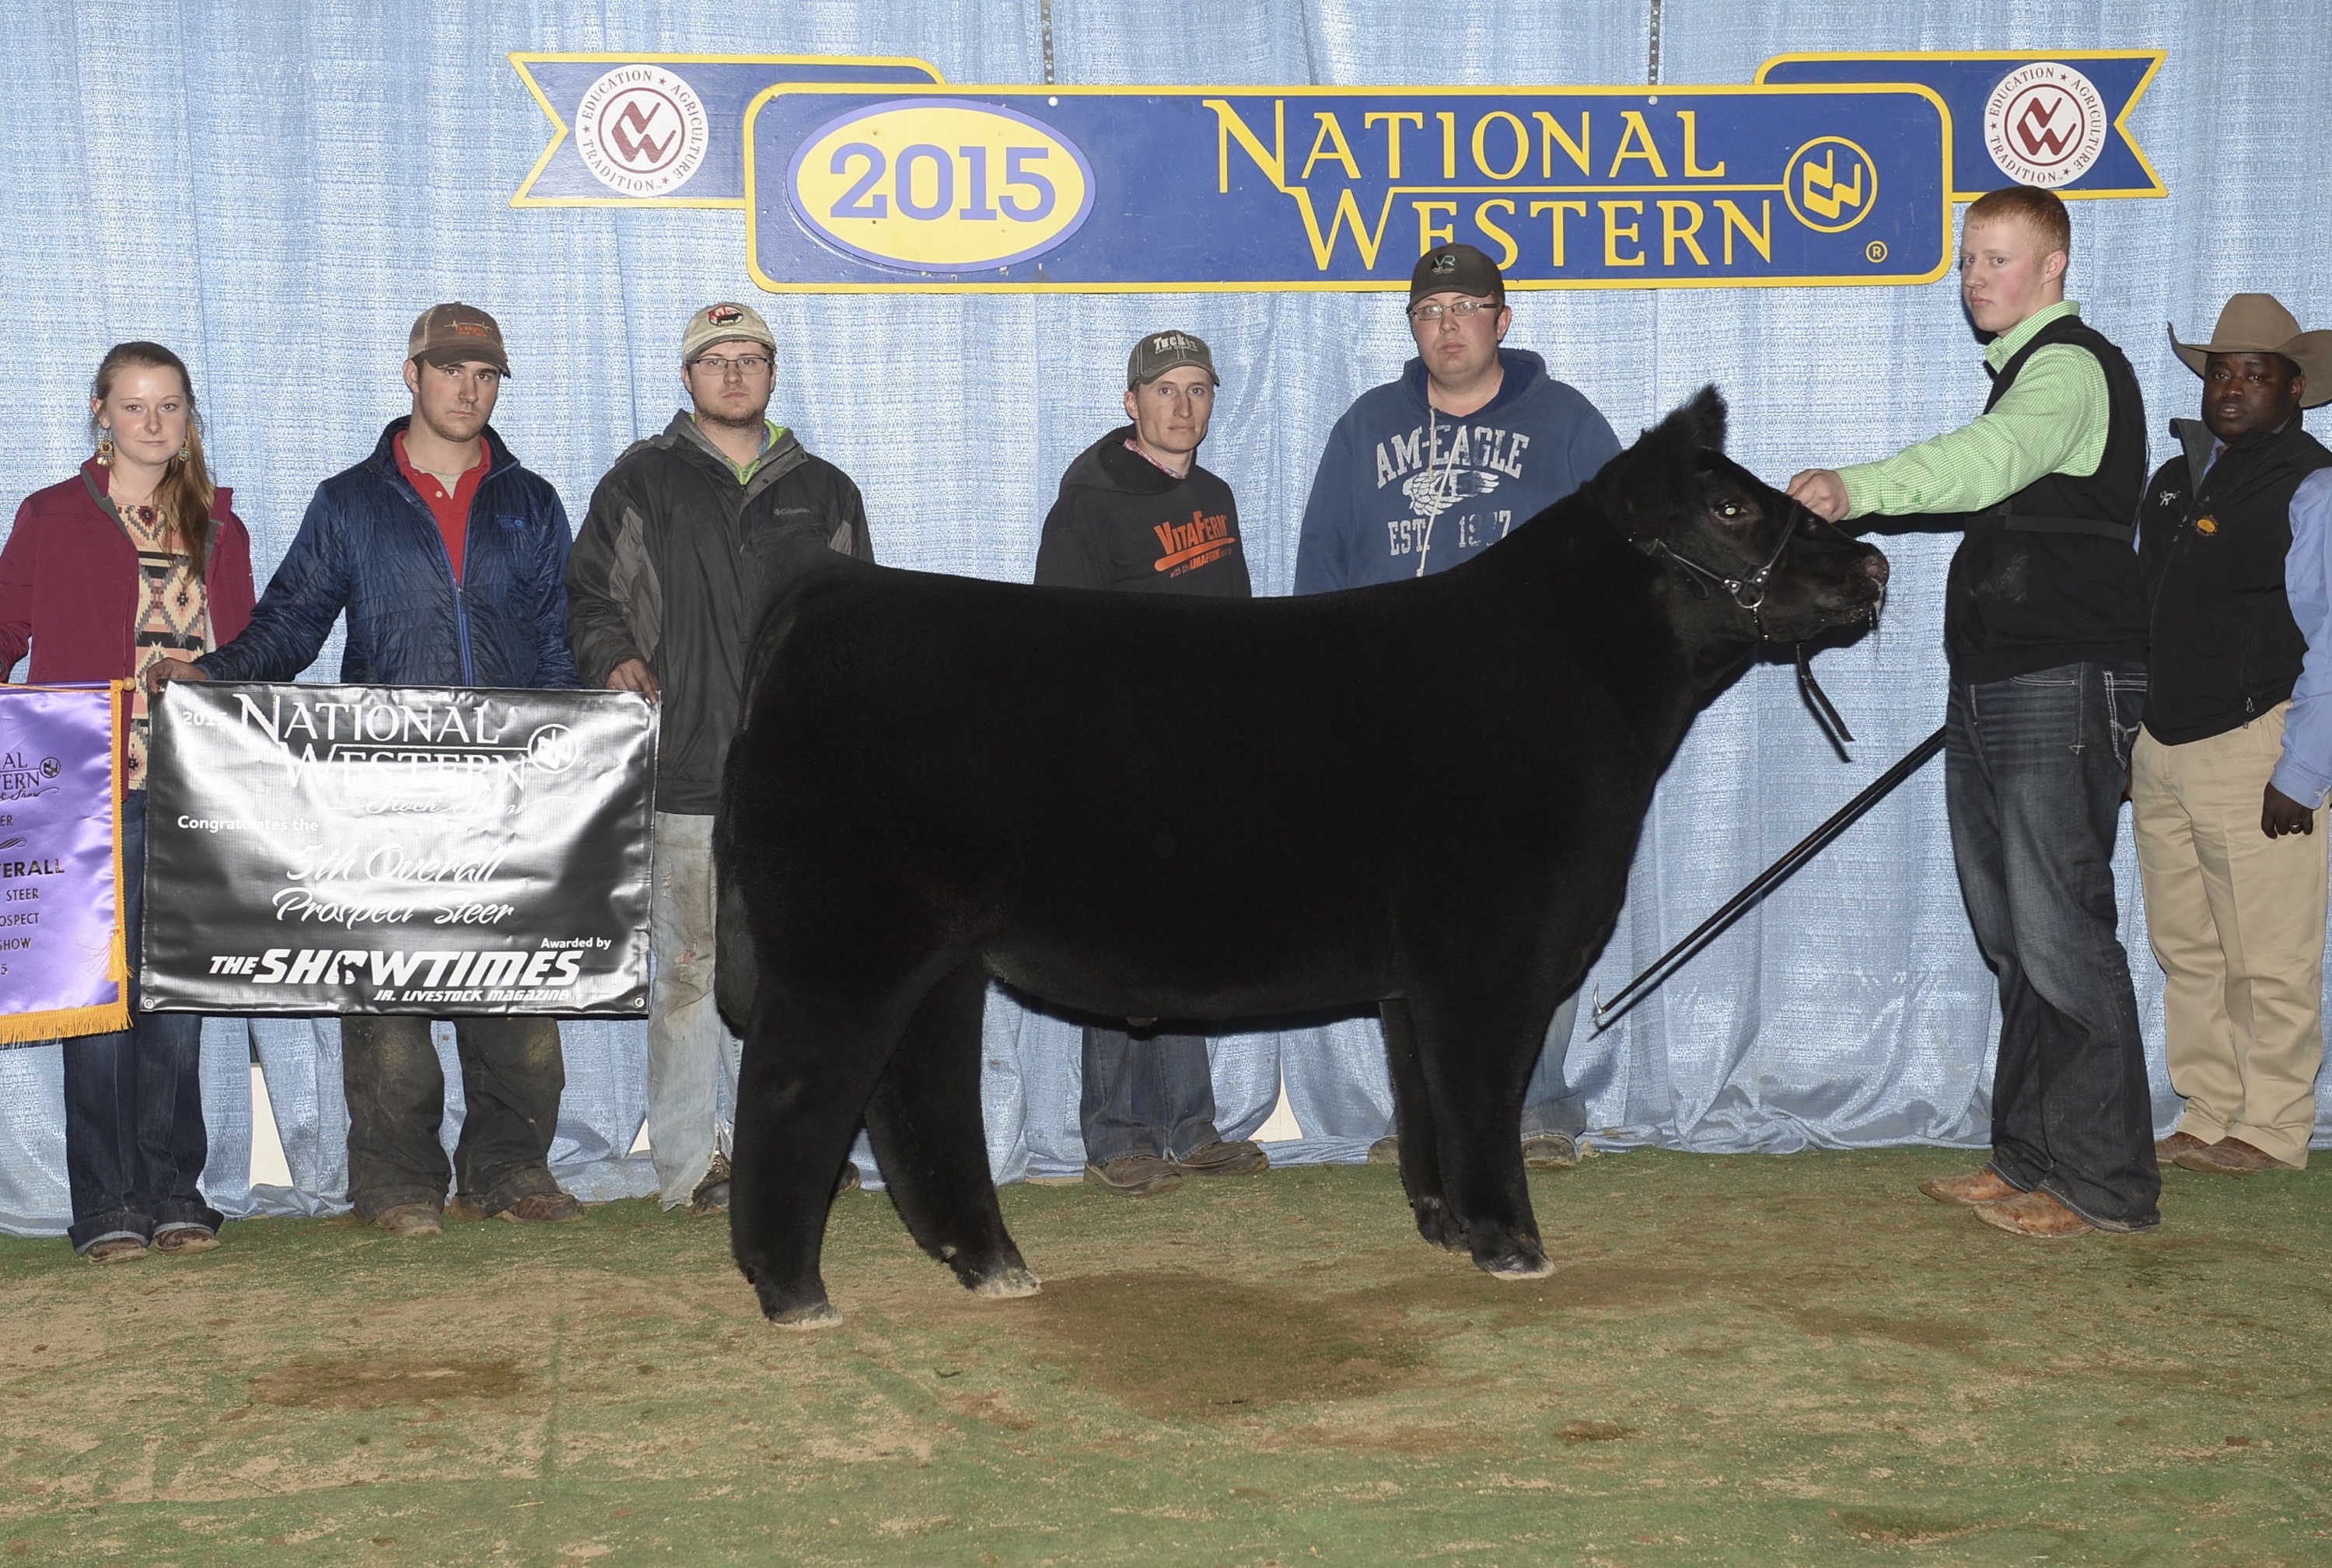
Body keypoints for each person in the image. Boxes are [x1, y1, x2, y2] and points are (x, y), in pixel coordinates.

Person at [149, 303, 583, 1238]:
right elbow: (292, 622)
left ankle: (510, 1168)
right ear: (411, 374)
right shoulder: (348, 501)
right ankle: (394, 1183)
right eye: (451, 369)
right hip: (385, 791)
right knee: (387, 992)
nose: (469, 389)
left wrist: (566, 757)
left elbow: (557, 641)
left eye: (486, 374)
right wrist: (212, 674)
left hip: (510, 786)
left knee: (516, 987)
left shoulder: (533, 502)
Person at [1788, 186, 2159, 1239]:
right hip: (2000, 680)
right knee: (2013, 938)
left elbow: (1985, 462)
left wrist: (1855, 488)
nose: (1974, 278)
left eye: (1996, 258)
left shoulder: (2068, 368)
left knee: (2060, 933)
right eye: (1965, 260)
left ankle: (2105, 1185)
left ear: (2051, 267)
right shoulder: (2024, 375)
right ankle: (2029, 1157)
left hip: (2059, 678)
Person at [1292, 243, 1621, 1171]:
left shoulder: (1567, 424)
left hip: (1530, 724)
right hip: (1395, 727)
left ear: (1501, 321)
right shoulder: (1365, 427)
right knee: (1411, 925)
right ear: (1412, 327)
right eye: (1428, 311)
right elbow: (1321, 569)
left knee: (1540, 914)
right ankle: (1431, 1113)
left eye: (1465, 308)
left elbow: (1625, 568)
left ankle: (1538, 1105)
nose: (1447, 326)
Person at [565, 301, 873, 1214]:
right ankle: (692, 1164)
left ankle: (789, 1148)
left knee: (787, 974)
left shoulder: (826, 492)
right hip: (687, 771)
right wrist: (611, 655)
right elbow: (590, 598)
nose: (732, 374)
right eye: (714, 360)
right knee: (688, 974)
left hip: (792, 781)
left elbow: (857, 626)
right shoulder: (641, 482)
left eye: (749, 358)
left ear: (772, 374)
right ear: (687, 376)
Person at [0, 341, 254, 1262]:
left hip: (193, 792)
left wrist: (213, 673)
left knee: (175, 1004)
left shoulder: (221, 526)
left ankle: (176, 1191)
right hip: (84, 794)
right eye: (135, 405)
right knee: (99, 1006)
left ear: (188, 417)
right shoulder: (52, 515)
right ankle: (107, 1204)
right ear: (101, 413)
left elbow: (247, 650)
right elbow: (5, 628)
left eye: (170, 405)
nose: (154, 422)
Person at [1032, 329, 1271, 1197]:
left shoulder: (1215, 495)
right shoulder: (1087, 503)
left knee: (1187, 937)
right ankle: (1116, 1134)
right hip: (1120, 760)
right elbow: (1058, 642)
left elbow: (1239, 630)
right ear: (1130, 402)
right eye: (1164, 389)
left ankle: (1188, 1125)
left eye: (1197, 388)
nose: (1182, 405)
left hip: (1201, 756)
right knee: (1119, 942)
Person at [2131, 294, 2332, 1178]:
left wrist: (2303, 768)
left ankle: (2273, 1124)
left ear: (2294, 388)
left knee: (2268, 956)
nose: (2231, 387)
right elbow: (2142, 612)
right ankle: (2207, 1109)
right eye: (2220, 371)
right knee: (2186, 947)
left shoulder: (2313, 485)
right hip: (2162, 744)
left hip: (2258, 743)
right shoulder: (2173, 480)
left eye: (2255, 374)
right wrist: (2131, 738)